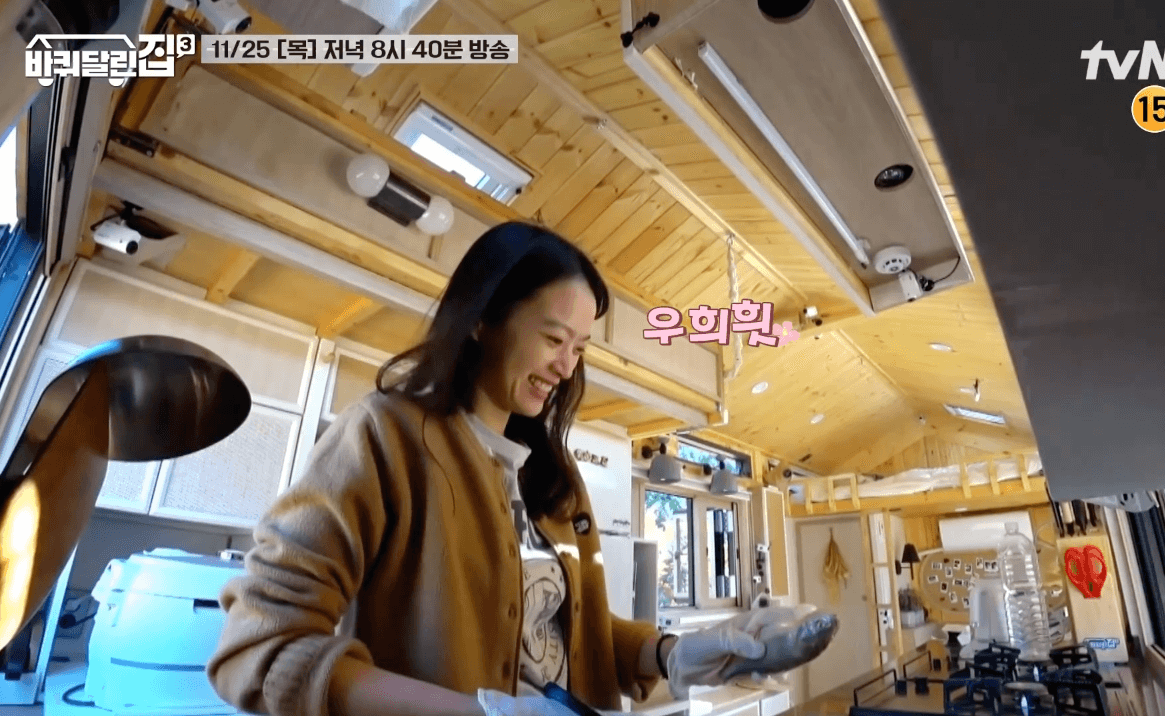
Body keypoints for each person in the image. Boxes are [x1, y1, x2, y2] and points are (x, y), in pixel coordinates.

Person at [206, 222, 809, 716]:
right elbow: (261, 647)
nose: (566, 367)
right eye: (553, 338)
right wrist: (477, 714)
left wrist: (674, 652)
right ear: (482, 318)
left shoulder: (557, 480)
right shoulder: (384, 438)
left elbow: (572, 632)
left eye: (579, 349)